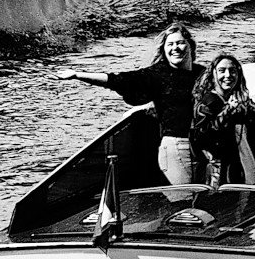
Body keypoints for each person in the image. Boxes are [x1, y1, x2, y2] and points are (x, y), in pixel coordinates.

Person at [57, 23, 203, 187]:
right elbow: (118, 80)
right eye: (170, 44)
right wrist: (78, 75)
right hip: (177, 147)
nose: (175, 48)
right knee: (184, 196)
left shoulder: (203, 74)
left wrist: (147, 108)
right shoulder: (157, 74)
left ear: (190, 46)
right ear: (164, 50)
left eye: (180, 43)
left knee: (208, 197)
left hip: (204, 146)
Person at [194, 53, 255, 186]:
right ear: (213, 75)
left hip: (241, 166)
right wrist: (227, 111)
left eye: (232, 71)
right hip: (217, 171)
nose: (228, 75)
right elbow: (201, 136)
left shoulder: (241, 102)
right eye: (222, 71)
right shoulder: (208, 102)